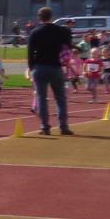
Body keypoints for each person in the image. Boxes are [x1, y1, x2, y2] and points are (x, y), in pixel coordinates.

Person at [25, 7, 73, 136]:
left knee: (42, 98)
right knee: (60, 98)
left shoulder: (34, 32)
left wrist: (31, 68)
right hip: (56, 67)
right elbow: (68, 46)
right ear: (51, 17)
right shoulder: (61, 31)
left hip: (39, 67)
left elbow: (30, 53)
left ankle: (45, 127)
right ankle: (63, 126)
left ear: (39, 18)